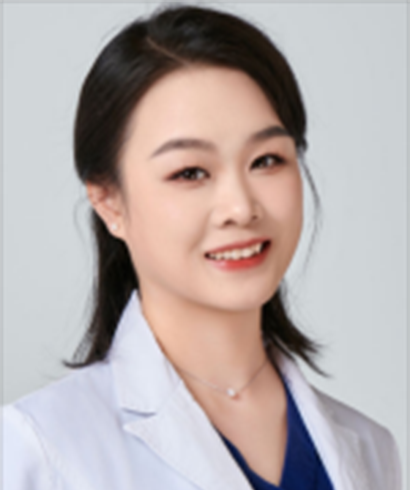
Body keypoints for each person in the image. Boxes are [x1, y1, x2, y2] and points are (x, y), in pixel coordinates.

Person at [3, 4, 402, 490]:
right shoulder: (42, 450)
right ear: (109, 201)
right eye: (190, 172)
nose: (240, 207)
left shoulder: (371, 449)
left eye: (266, 160)